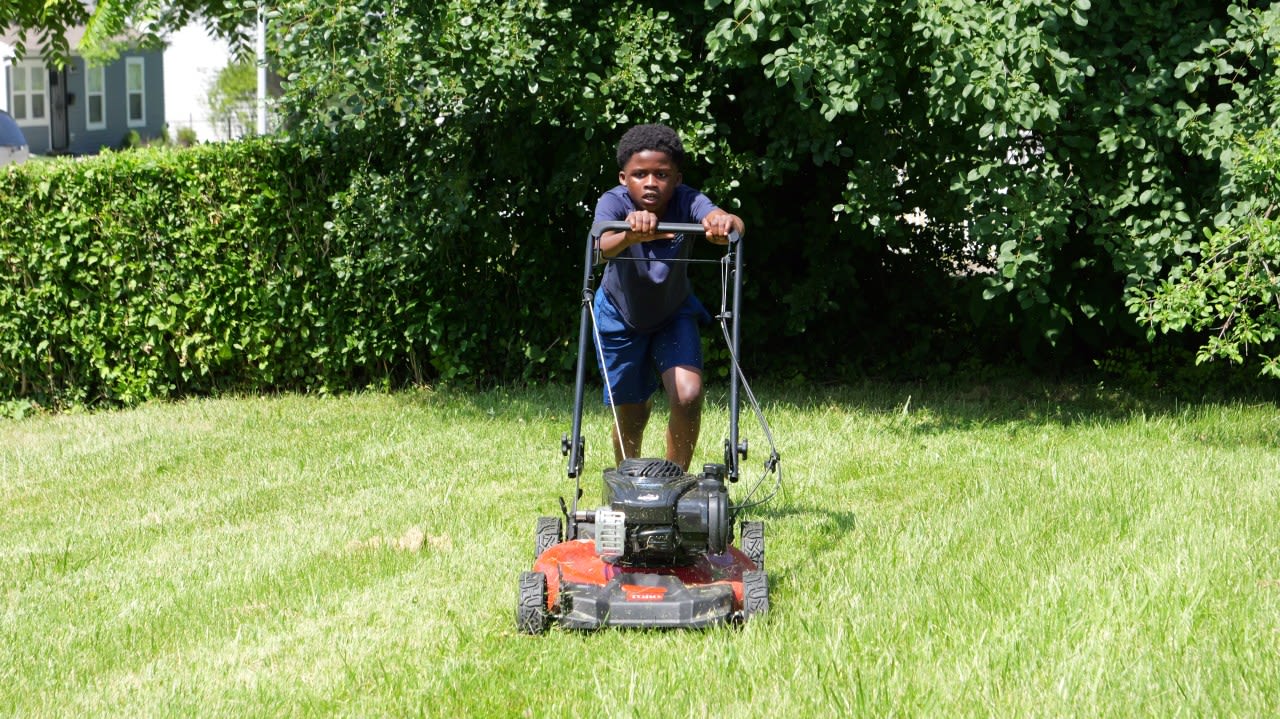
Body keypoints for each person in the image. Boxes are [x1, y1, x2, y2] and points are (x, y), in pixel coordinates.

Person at [592, 123, 746, 471]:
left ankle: (675, 481)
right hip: (619, 316)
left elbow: (730, 222)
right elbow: (600, 246)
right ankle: (629, 482)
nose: (650, 182)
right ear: (623, 178)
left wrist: (723, 223)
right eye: (640, 174)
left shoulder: (687, 200)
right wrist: (629, 234)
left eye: (661, 174)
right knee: (631, 413)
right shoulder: (613, 203)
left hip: (672, 313)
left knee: (688, 396)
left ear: (676, 178)